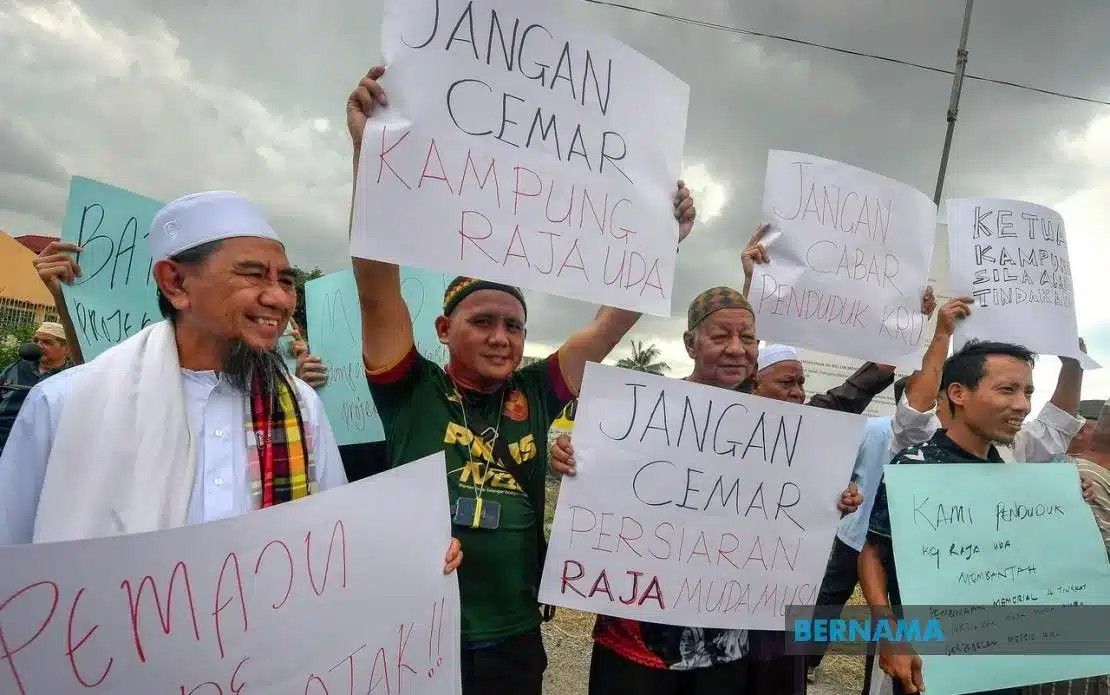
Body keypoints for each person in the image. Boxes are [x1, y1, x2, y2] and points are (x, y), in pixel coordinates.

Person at [345, 65, 698, 695]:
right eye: (483, 321)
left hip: (514, 637)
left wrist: (660, 239)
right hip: (419, 628)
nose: (502, 337)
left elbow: (609, 326)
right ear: (443, 327)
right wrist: (368, 159)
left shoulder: (533, 392)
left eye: (513, 324)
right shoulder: (409, 388)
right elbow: (376, 289)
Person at [0, 191, 461, 578]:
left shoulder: (300, 406)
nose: (279, 298)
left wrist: (411, 555)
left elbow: (330, 543)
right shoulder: (64, 404)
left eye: (286, 281)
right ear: (175, 282)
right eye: (254, 275)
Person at [549, 287, 864, 695]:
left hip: (726, 647)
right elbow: (602, 473)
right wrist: (572, 458)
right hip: (638, 637)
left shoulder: (783, 432)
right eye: (721, 336)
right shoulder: (639, 411)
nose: (737, 348)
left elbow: (790, 506)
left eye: (748, 338)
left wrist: (832, 498)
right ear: (690, 343)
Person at [859, 340, 1092, 695]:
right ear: (958, 394)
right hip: (933, 664)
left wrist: (1068, 505)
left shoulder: (1018, 472)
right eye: (1007, 390)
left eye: (1028, 392)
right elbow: (874, 553)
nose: (1023, 406)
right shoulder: (917, 466)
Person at [0, 322, 72, 451]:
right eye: (36, 341)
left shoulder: (71, 378)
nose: (38, 346)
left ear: (67, 349)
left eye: (47, 342)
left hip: (37, 447)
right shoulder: (16, 368)